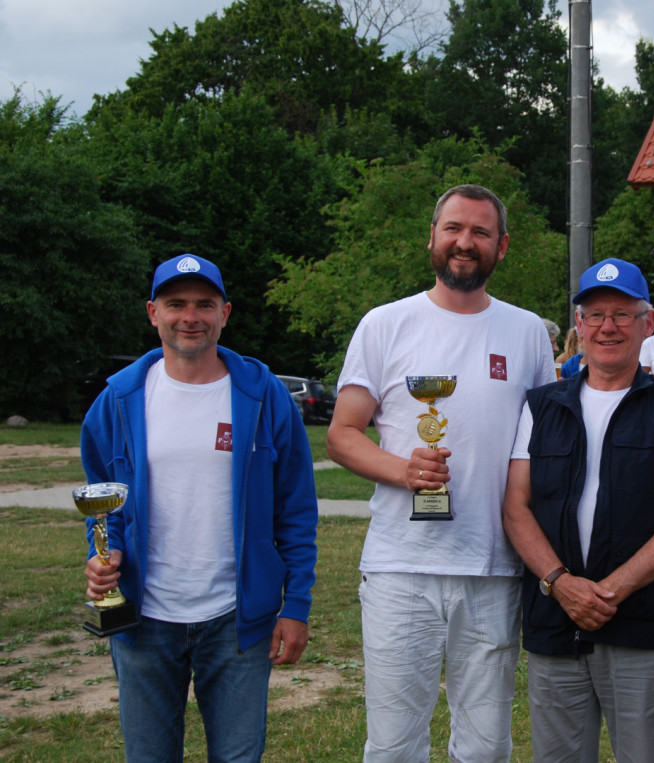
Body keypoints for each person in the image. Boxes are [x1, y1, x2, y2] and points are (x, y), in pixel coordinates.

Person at [327, 184, 556, 761]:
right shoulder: (384, 324)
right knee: (395, 742)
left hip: (494, 566)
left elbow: (545, 444)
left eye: (480, 232)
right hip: (401, 568)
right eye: (453, 228)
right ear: (431, 237)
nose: (464, 242)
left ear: (502, 247)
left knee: (485, 746)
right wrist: (405, 471)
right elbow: (343, 434)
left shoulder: (528, 331)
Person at [81, 253, 319, 761]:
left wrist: (295, 605)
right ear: (152, 312)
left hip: (237, 621)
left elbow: (296, 511)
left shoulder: (265, 397)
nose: (190, 316)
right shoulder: (117, 400)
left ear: (225, 313)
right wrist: (106, 555)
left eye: (204, 304)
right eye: (176, 304)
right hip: (144, 619)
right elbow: (104, 508)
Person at [502, 258, 654, 762]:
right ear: (579, 325)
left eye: (622, 314)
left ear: (647, 325)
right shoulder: (541, 405)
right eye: (595, 315)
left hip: (641, 625)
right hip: (556, 620)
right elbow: (516, 505)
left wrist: (611, 591)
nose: (608, 327)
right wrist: (561, 582)